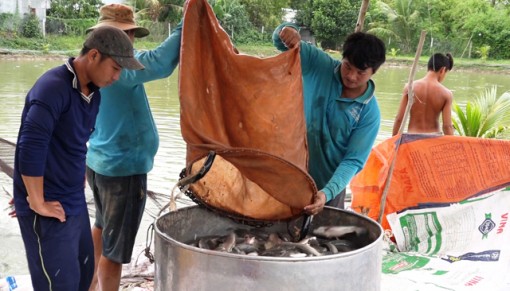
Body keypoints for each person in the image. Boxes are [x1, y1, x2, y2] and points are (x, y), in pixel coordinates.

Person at [12, 26, 143, 291]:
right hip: (49, 204)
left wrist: (77, 175)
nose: (117, 77)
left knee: (85, 276)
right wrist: (35, 200)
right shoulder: (52, 88)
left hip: (73, 199)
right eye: (115, 68)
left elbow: (74, 142)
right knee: (59, 284)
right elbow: (30, 146)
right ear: (94, 55)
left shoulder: (92, 92)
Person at [84, 3, 182, 290]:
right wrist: (186, 21)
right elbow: (161, 62)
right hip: (122, 172)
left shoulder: (96, 64)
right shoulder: (118, 68)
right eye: (123, 35)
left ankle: (87, 285)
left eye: (130, 36)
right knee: (114, 253)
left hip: (99, 165)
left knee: (101, 228)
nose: (128, 42)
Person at [272, 24, 386, 213]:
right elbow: (280, 43)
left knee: (321, 236)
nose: (351, 76)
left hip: (329, 187)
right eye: (347, 66)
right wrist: (285, 31)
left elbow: (353, 161)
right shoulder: (319, 65)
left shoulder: (369, 113)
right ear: (342, 58)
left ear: (373, 72)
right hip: (290, 172)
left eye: (360, 73)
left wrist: (327, 193)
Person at [392, 53, 455, 135]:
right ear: (443, 70)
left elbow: (399, 119)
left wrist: (393, 142)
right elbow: (447, 126)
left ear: (428, 67)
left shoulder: (409, 87)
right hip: (433, 141)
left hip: (412, 139)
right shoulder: (446, 94)